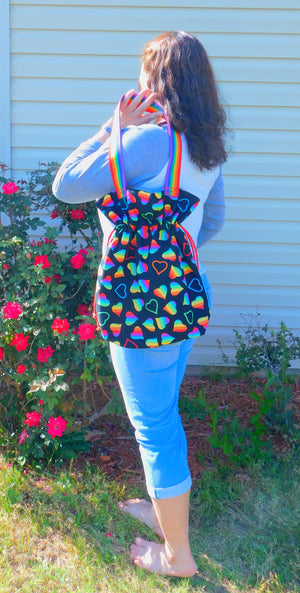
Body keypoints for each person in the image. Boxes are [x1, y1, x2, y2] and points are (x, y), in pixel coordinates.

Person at [52, 30, 227, 577]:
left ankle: (177, 556)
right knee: (163, 412)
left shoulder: (147, 141)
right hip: (180, 301)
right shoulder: (207, 146)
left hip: (138, 307)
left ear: (158, 82)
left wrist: (115, 126)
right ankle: (163, 511)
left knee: (154, 425)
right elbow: (213, 220)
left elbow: (66, 184)